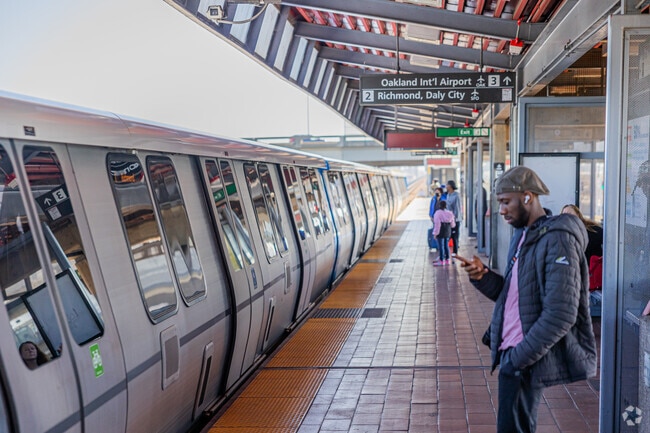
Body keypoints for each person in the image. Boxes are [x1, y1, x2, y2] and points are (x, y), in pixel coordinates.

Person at [457, 166, 597, 433]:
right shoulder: (523, 236)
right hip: (512, 352)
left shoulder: (558, 240)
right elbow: (512, 294)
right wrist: (482, 276)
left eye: (506, 202)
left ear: (527, 197)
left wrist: (517, 360)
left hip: (523, 355)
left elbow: (561, 313)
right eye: (499, 203)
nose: (501, 210)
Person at [432, 200, 455, 265]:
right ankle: (447, 259)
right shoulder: (450, 213)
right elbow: (453, 225)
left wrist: (435, 233)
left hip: (441, 231)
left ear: (439, 206)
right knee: (446, 245)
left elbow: (437, 225)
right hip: (448, 231)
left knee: (441, 246)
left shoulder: (437, 213)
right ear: (446, 206)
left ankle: (442, 260)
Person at [445, 180, 462, 259]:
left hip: (455, 219)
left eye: (447, 185)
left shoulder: (456, 195)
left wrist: (455, 219)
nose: (446, 186)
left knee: (455, 236)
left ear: (451, 186)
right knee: (449, 235)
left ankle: (455, 253)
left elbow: (458, 208)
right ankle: (446, 252)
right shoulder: (448, 194)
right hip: (449, 219)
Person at [428, 187, 444, 251]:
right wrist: (431, 216)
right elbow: (431, 208)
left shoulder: (443, 199)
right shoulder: (433, 199)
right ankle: (436, 245)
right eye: (436, 192)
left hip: (441, 219)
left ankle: (440, 246)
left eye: (438, 192)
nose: (437, 194)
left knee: (441, 232)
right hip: (434, 218)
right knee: (436, 232)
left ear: (441, 193)